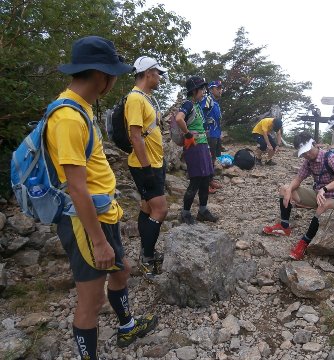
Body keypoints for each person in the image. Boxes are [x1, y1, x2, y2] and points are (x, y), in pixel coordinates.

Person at [47, 37, 157, 360]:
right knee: (91, 300)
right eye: (112, 74)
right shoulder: (67, 118)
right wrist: (98, 241)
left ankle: (126, 327)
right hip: (85, 223)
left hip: (103, 213)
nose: (114, 81)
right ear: (100, 75)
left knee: (120, 272)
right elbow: (77, 187)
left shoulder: (81, 109)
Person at [262, 131, 334, 260]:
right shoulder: (308, 161)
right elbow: (298, 179)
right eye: (303, 153)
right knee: (285, 188)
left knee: (324, 204)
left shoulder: (331, 157)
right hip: (318, 195)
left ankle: (305, 241)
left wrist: (324, 189)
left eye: (308, 150)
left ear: (315, 144)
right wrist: (288, 192)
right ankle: (284, 226)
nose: (307, 154)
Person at [125, 56, 168, 280]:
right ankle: (148, 258)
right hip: (145, 165)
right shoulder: (135, 98)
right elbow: (135, 135)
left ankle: (145, 251)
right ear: (148, 73)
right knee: (160, 210)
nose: (160, 77)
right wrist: (147, 169)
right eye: (157, 73)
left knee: (146, 207)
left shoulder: (146, 98)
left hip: (154, 162)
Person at [175, 76, 219, 225]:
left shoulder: (197, 106)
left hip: (202, 146)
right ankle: (186, 212)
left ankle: (203, 210)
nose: (204, 92)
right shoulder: (188, 104)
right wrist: (187, 134)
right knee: (196, 180)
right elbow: (179, 118)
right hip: (194, 147)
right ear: (194, 91)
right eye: (201, 89)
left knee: (205, 179)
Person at [201, 80, 224, 193]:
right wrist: (204, 130)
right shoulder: (208, 99)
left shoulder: (216, 102)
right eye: (217, 88)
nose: (220, 90)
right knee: (208, 158)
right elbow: (201, 114)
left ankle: (210, 180)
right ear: (211, 89)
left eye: (221, 88)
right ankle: (205, 185)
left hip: (216, 134)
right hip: (209, 134)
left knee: (213, 158)